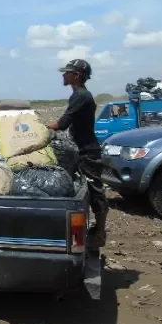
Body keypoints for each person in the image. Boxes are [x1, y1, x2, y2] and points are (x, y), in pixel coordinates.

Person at [46, 59, 108, 249]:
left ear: (77, 75)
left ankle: (99, 231)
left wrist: (39, 126)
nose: (64, 75)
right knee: (78, 190)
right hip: (80, 148)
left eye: (67, 72)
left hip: (87, 151)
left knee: (94, 189)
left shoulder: (81, 96)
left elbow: (62, 124)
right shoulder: (79, 95)